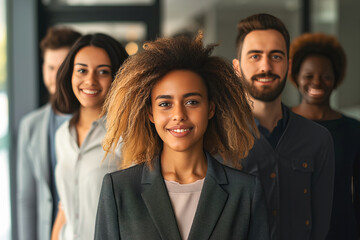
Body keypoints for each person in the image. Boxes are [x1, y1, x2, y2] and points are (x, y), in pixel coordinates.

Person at [94, 33, 269, 240]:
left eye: (192, 102)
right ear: (151, 113)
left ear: (210, 109)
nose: (178, 115)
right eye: (165, 104)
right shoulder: (119, 189)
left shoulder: (245, 192)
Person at [232, 13, 335, 240]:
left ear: (288, 66)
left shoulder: (318, 139)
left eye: (275, 56)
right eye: (255, 56)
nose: (266, 66)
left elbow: (321, 226)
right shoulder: (217, 139)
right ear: (237, 67)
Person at [50, 33, 128, 240]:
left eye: (103, 72)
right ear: (70, 75)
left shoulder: (125, 134)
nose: (90, 80)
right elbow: (66, 204)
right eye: (82, 70)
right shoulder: (62, 135)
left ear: (117, 77)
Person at [289, 32, 360, 240]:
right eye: (308, 76)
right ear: (296, 77)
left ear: (336, 79)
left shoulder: (353, 131)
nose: (317, 82)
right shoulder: (279, 125)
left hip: (342, 232)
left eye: (325, 76)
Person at [16, 27, 81, 240]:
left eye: (63, 67)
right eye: (50, 67)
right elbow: (27, 198)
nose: (56, 76)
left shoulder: (101, 123)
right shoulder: (30, 126)